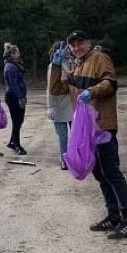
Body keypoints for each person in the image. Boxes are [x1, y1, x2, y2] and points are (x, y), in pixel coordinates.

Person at [50, 30, 127, 239]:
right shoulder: (77, 66)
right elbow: (56, 89)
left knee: (111, 172)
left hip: (103, 126)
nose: (76, 47)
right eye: (72, 45)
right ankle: (113, 216)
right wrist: (56, 66)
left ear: (88, 42)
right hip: (88, 130)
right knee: (99, 173)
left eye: (80, 43)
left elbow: (110, 83)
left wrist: (92, 91)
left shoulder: (99, 58)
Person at [46, 41, 74, 170]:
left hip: (72, 105)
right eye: (65, 49)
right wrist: (50, 106)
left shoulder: (72, 63)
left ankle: (76, 157)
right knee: (63, 136)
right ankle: (64, 159)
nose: (68, 51)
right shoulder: (54, 66)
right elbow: (51, 88)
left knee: (76, 134)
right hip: (58, 106)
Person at [3, 42, 28, 155]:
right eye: (17, 52)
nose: (19, 53)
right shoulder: (10, 67)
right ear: (12, 54)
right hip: (13, 97)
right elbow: (13, 85)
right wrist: (20, 97)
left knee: (19, 120)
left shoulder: (15, 65)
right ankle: (16, 145)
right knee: (16, 121)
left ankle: (12, 141)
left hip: (18, 95)